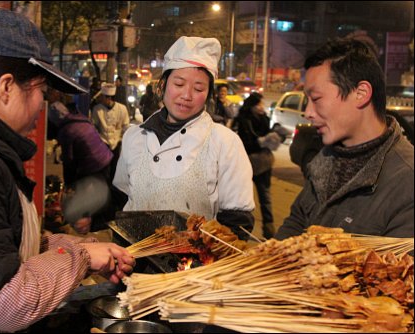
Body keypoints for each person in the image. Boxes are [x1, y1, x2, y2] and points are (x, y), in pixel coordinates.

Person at [0, 9, 135, 333]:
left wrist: (79, 247)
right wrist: (82, 259)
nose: (42, 106)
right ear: (6, 87)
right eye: (41, 93)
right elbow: (4, 301)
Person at [113, 36, 256, 239]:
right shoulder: (134, 136)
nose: (187, 95)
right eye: (179, 84)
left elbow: (237, 221)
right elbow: (121, 199)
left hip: (195, 267)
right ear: (162, 85)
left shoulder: (225, 142)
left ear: (208, 94)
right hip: (134, 260)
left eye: (198, 89)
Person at [275, 38, 414, 240]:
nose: (308, 112)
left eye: (316, 99)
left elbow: (391, 268)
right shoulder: (324, 160)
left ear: (361, 93)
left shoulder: (406, 181)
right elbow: (295, 224)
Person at [48, 91, 115, 233]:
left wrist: (69, 183)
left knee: (91, 193)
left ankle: (91, 223)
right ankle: (99, 220)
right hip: (105, 157)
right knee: (102, 191)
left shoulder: (67, 129)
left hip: (93, 163)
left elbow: (69, 160)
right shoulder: (79, 119)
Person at [234, 92, 280, 240]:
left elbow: (269, 137)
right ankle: (240, 231)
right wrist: (258, 142)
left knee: (265, 196)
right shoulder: (243, 120)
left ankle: (269, 231)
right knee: (241, 199)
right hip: (246, 162)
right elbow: (243, 142)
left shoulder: (265, 119)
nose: (261, 107)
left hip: (263, 164)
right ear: (252, 106)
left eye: (262, 104)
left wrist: (274, 138)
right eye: (259, 104)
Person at [92, 82, 130, 179]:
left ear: (108, 98)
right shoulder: (97, 109)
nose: (100, 99)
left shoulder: (122, 109)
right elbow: (94, 126)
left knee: (115, 168)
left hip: (116, 143)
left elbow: (126, 126)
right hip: (103, 143)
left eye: (103, 97)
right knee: (104, 169)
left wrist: (122, 140)